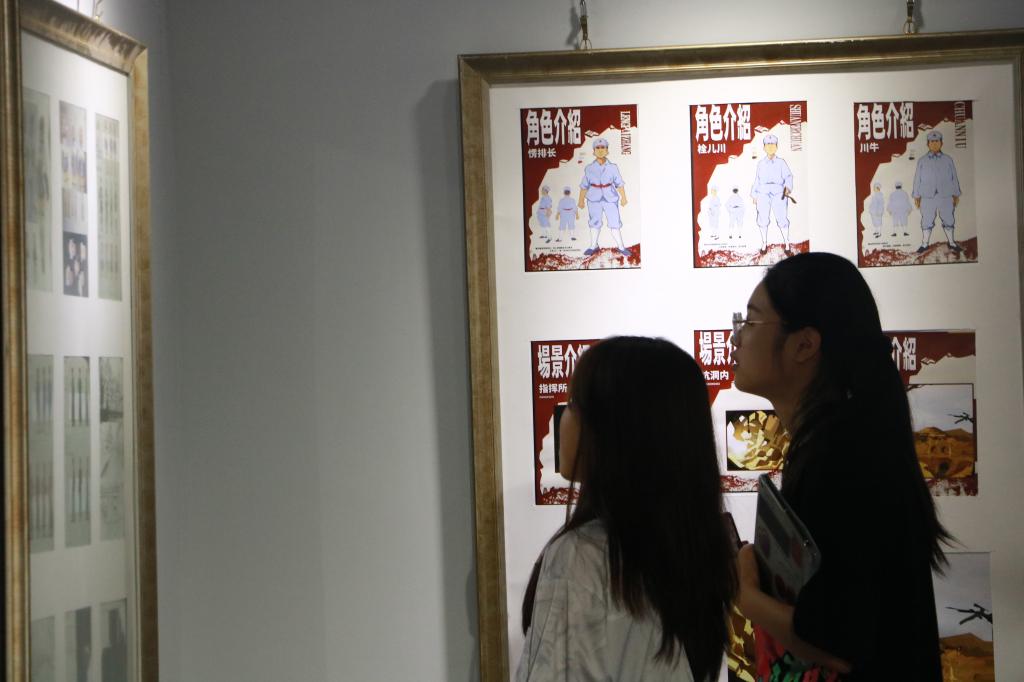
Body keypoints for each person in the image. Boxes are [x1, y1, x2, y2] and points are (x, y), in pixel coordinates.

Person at [730, 252, 949, 681]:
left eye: (751, 322)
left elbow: (835, 640)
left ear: (805, 344)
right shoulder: (839, 441)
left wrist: (746, 595)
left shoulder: (840, 455)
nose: (736, 338)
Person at [517, 336, 736, 682]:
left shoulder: (583, 555)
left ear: (615, 431)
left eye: (574, 403)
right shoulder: (697, 550)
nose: (563, 417)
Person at [578, 137, 630, 257]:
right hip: (593, 198)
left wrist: (624, 197)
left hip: (610, 197)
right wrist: (581, 200)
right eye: (598, 148)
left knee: (614, 221)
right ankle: (593, 246)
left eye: (603, 147)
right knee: (594, 222)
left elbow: (619, 183)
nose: (600, 150)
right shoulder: (589, 168)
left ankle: (621, 247)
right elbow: (584, 186)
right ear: (594, 151)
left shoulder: (613, 167)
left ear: (607, 150)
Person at [912, 129, 962, 254]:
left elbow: (954, 177)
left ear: (941, 143)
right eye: (932, 141)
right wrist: (916, 196)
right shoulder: (922, 160)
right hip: (927, 196)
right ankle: (924, 244)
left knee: (948, 218)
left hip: (945, 195)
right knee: (927, 219)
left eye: (937, 141)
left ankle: (951, 242)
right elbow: (917, 178)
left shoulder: (948, 159)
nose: (934, 144)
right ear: (928, 144)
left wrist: (956, 194)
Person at [750, 133, 794, 254]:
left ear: (776, 146)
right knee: (762, 219)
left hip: (779, 193)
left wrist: (788, 188)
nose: (770, 147)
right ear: (764, 147)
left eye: (773, 144)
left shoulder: (781, 162)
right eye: (768, 144)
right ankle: (764, 244)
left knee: (782, 218)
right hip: (763, 193)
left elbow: (789, 176)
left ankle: (787, 244)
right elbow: (757, 180)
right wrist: (754, 194)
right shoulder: (761, 163)